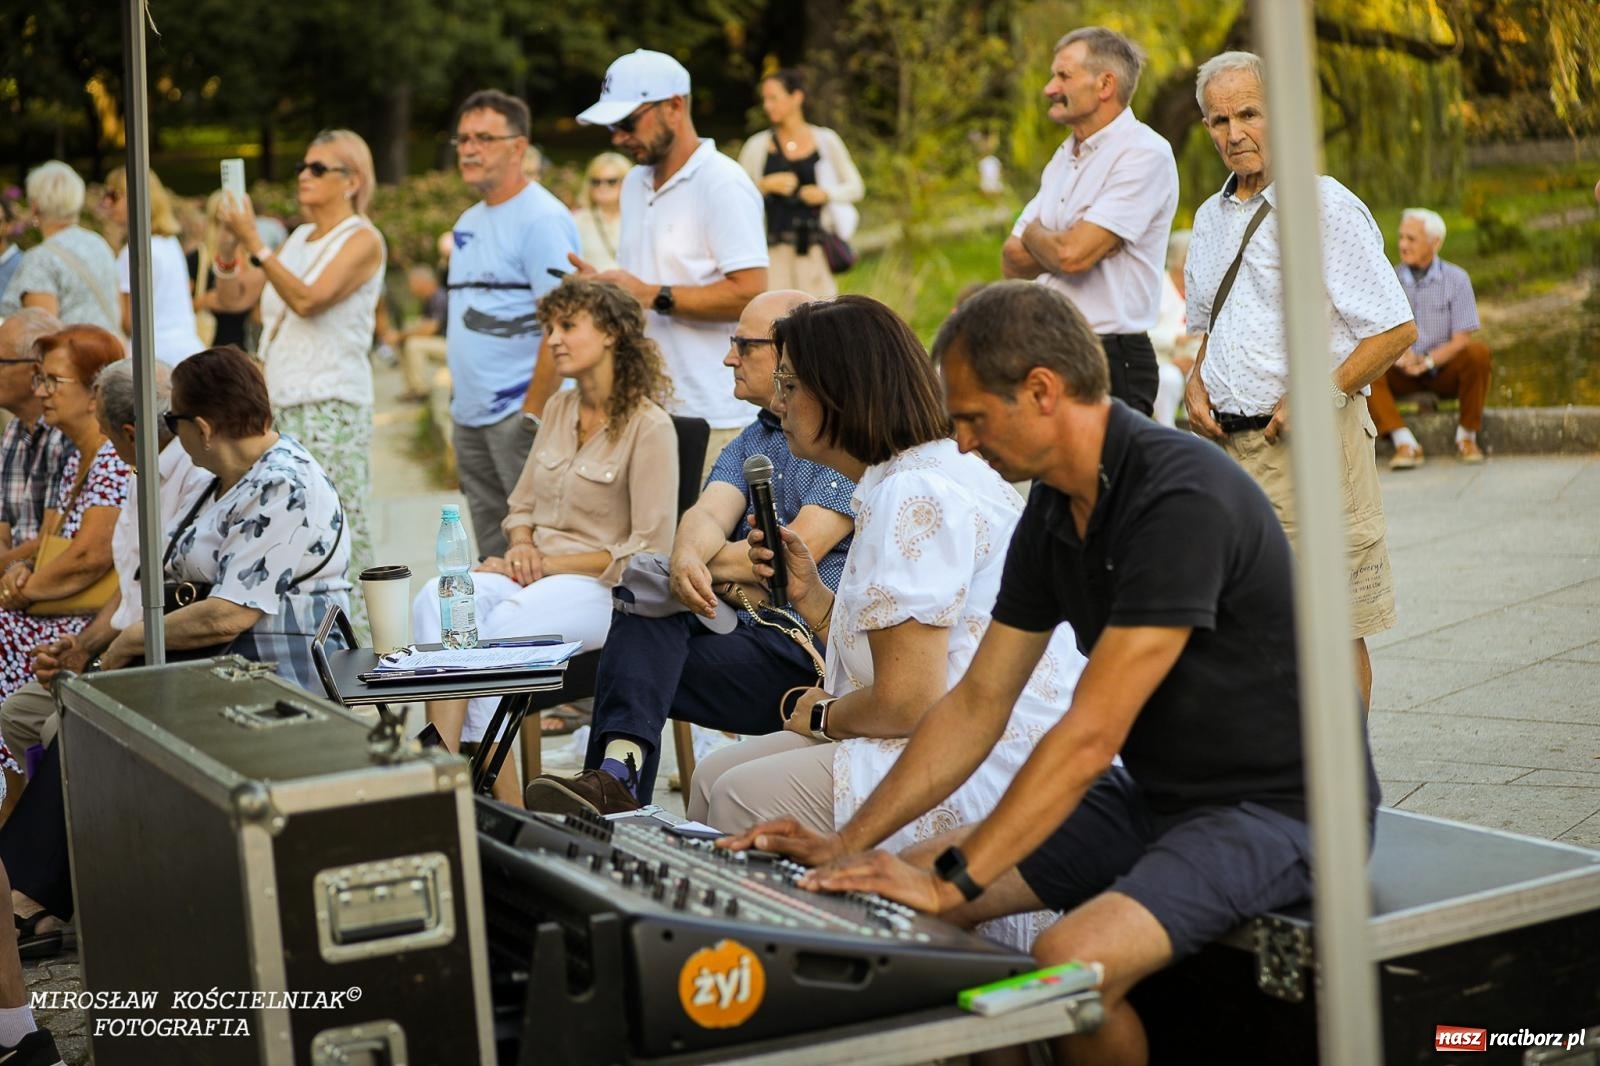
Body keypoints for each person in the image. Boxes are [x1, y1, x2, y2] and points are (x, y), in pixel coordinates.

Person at [726, 282, 1376, 1066]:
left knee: (1066, 959)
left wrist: (956, 882)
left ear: (1041, 391)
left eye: (972, 418)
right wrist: (850, 843)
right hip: (1155, 794)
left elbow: (1090, 733)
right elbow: (975, 703)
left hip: (1282, 808)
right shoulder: (1050, 509)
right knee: (888, 886)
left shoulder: (1180, 495)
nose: (960, 442)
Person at [689, 298, 1085, 935]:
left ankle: (792, 978)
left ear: (840, 393)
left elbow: (910, 703)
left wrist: (820, 713)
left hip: (981, 758)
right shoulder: (908, 474)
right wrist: (814, 596)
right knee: (713, 774)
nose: (778, 403)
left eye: (790, 385)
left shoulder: (913, 492)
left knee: (739, 795)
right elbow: (899, 662)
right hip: (953, 729)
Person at [524, 290, 855, 814]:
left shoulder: (841, 437)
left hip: (805, 654)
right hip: (744, 630)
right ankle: (616, 779)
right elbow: (700, 521)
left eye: (743, 346)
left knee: (632, 653)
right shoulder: (755, 437)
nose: (729, 358)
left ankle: (613, 788)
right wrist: (687, 562)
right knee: (646, 588)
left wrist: (706, 565)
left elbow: (790, 560)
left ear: (792, 352)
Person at [1181, 51, 1416, 710]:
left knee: (1330, 628)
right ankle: (1281, 787)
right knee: (1247, 625)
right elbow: (1210, 329)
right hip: (1229, 453)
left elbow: (1394, 330)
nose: (1234, 133)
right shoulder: (1208, 218)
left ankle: (1347, 793)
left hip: (1311, 447)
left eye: (1249, 114)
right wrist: (1196, 381)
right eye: (1219, 119)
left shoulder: (1323, 205)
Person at [412, 277, 678, 806]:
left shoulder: (651, 428)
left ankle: (501, 809)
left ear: (610, 335)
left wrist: (548, 563)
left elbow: (649, 551)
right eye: (549, 328)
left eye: (567, 326)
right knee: (437, 597)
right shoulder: (558, 408)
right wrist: (522, 545)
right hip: (536, 574)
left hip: (605, 589)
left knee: (499, 631)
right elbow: (520, 506)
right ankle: (447, 767)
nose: (552, 339)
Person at [0, 359, 211, 812]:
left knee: (62, 728)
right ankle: (48, 846)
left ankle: (67, 855)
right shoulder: (139, 470)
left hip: (156, 657)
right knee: (18, 715)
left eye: (107, 432)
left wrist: (100, 663)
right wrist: (82, 646)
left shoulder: (191, 478)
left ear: (130, 433)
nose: (106, 445)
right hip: (116, 644)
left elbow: (108, 571)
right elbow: (130, 585)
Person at [97, 346, 352, 688]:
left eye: (172, 420)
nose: (168, 431)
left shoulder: (283, 485)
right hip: (219, 667)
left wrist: (132, 639)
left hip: (279, 677)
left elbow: (230, 614)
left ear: (202, 429)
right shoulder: (227, 478)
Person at [216, 129, 384, 638]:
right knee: (292, 532)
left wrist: (253, 242)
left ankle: (369, 654)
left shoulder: (361, 238)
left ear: (351, 180)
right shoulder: (294, 239)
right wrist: (228, 249)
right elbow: (234, 297)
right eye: (301, 167)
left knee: (340, 529)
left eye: (317, 168)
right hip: (282, 405)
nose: (303, 176)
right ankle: (311, 645)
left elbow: (309, 299)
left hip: (331, 402)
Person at [573, 49, 769, 480]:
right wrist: (605, 290)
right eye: (611, 126)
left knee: (699, 547)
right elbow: (639, 289)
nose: (617, 137)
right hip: (645, 408)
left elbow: (752, 292)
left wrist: (649, 294)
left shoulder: (722, 182)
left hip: (713, 415)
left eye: (627, 122)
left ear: (675, 107)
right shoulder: (633, 182)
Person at [1001, 28, 1179, 417]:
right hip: (1050, 349)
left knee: (1109, 479)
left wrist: (1036, 233)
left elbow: (1071, 256)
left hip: (1111, 358)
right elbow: (1010, 259)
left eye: (1063, 76)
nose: (1050, 88)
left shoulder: (1144, 154)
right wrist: (1050, 239)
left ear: (1104, 84)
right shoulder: (1062, 157)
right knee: (1048, 481)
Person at [446, 89, 581, 558]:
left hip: (518, 417)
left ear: (518, 147)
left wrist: (533, 412)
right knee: (491, 554)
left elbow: (563, 322)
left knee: (540, 547)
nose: (469, 148)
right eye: (463, 138)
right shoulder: (468, 220)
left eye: (484, 137)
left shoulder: (542, 219)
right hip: (470, 417)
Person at [0, 325, 128, 701]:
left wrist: (16, 592)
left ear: (95, 393)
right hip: (51, 609)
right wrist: (20, 572)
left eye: (53, 381)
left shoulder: (113, 460)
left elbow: (89, 557)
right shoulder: (76, 459)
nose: (41, 392)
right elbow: (48, 545)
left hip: (87, 625)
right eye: (40, 380)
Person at [1368, 208, 1492, 468]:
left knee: (1478, 353)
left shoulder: (1457, 279)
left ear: (1434, 242)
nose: (1402, 244)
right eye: (1401, 237)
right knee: (1364, 364)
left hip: (1441, 370)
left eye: (1411, 239)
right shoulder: (1389, 278)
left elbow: (1461, 340)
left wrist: (1428, 360)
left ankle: (1467, 437)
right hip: (1400, 370)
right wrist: (1400, 357)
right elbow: (1378, 332)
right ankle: (1405, 443)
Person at [737, 68, 864, 299]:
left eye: (773, 98)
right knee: (775, 321)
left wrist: (825, 194)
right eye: (764, 99)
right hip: (771, 255)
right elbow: (736, 197)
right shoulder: (757, 146)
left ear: (796, 97)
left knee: (820, 319)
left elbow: (856, 187)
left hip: (815, 253)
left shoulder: (826, 141)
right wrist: (764, 186)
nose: (767, 106)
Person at [101, 166, 207, 366]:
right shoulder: (169, 243)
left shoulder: (132, 253)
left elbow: (128, 321)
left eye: (114, 195)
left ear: (135, 198)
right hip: (188, 350)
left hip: (153, 358)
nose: (107, 203)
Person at [0, 162, 121, 335]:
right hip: (111, 355)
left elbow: (42, 334)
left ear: (35, 206)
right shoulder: (99, 243)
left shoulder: (40, 259)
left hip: (72, 359)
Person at [0, 310, 69, 574]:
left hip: (47, 581)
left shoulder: (66, 434)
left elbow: (52, 539)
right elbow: (2, 527)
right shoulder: (15, 429)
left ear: (35, 371)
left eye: (1, 361)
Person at [1147, 229, 1198, 428]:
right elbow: (1144, 331)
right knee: (1169, 379)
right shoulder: (1158, 287)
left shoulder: (1197, 288)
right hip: (1162, 361)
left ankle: (1196, 432)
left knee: (1204, 378)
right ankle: (1166, 428)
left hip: (1193, 359)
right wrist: (1176, 340)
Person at [192, 190, 255, 350]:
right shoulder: (199, 258)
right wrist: (203, 301)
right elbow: (177, 306)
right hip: (208, 347)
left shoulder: (252, 258)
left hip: (245, 348)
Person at [385, 264, 449, 402]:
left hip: (452, 346)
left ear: (422, 282)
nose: (410, 287)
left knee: (413, 344)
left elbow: (430, 329)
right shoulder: (429, 299)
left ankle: (420, 390)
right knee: (406, 338)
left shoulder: (439, 297)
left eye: (412, 283)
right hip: (441, 342)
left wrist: (400, 335)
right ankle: (412, 388)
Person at [572, 152, 631, 272]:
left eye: (611, 181)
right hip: (592, 289)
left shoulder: (641, 218)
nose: (602, 187)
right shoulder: (577, 220)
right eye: (596, 182)